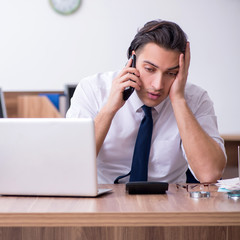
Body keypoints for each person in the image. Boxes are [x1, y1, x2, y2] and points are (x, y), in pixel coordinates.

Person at [66, 20, 226, 184]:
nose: (158, 85)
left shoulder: (196, 99)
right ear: (132, 59)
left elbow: (209, 174)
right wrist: (108, 110)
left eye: (171, 73)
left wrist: (178, 100)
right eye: (150, 69)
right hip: (104, 199)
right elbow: (71, 166)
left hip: (170, 202)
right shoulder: (93, 89)